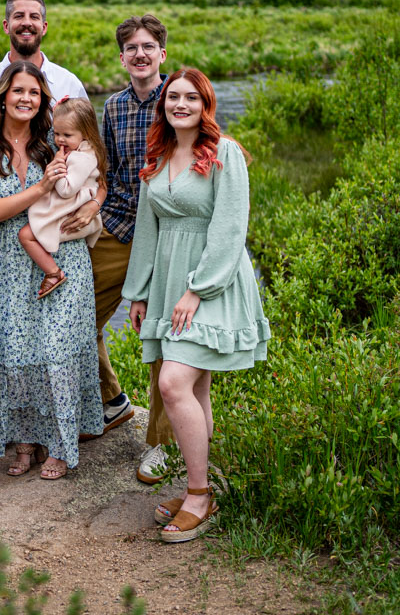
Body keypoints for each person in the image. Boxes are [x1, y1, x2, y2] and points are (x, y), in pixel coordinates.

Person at [122, 67, 270, 543]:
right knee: (197, 387)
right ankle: (205, 484)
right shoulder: (159, 156)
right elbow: (148, 231)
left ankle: (199, 495)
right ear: (163, 105)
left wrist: (197, 289)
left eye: (190, 97)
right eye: (172, 97)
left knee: (173, 383)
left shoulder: (224, 153)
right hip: (167, 282)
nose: (179, 104)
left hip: (211, 281)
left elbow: (230, 230)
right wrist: (139, 292)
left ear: (206, 105)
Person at [0, 61, 104, 479]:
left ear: (42, 100)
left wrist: (93, 203)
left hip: (62, 258)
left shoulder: (53, 143)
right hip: (7, 260)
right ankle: (23, 442)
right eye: (18, 91)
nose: (26, 98)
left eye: (34, 93)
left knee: (57, 351)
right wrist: (40, 188)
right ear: (3, 96)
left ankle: (59, 443)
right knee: (18, 354)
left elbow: (97, 174)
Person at [90, 14, 178, 479]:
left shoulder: (180, 98)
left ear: (161, 53)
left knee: (161, 337)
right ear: (122, 57)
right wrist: (92, 209)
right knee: (75, 312)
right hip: (119, 228)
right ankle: (113, 401)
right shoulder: (114, 107)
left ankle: (160, 444)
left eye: (148, 47)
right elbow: (108, 171)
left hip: (167, 236)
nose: (140, 54)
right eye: (131, 48)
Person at [0, 0, 89, 139]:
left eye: (34, 17)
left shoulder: (69, 84)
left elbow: (88, 143)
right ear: (6, 26)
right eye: (19, 16)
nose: (27, 23)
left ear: (44, 27)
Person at [17, 98, 106, 298]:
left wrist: (56, 166)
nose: (60, 140)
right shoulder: (80, 151)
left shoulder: (80, 157)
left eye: (67, 135)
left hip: (71, 211)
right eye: (57, 134)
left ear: (86, 133)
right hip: (68, 208)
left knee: (26, 235)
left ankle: (53, 273)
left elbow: (67, 189)